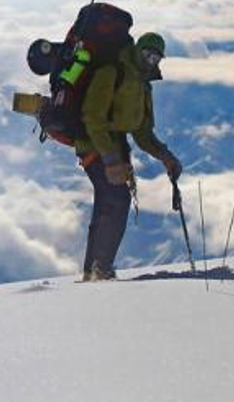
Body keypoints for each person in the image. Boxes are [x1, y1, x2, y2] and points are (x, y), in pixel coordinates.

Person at [74, 32, 183, 281]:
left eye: (156, 57)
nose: (151, 60)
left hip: (114, 146)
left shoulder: (143, 86)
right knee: (117, 199)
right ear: (137, 49)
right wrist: (111, 160)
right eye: (147, 53)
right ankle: (101, 270)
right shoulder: (112, 72)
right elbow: (92, 117)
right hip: (93, 143)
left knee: (107, 201)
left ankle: (93, 270)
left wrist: (166, 157)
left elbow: (142, 132)